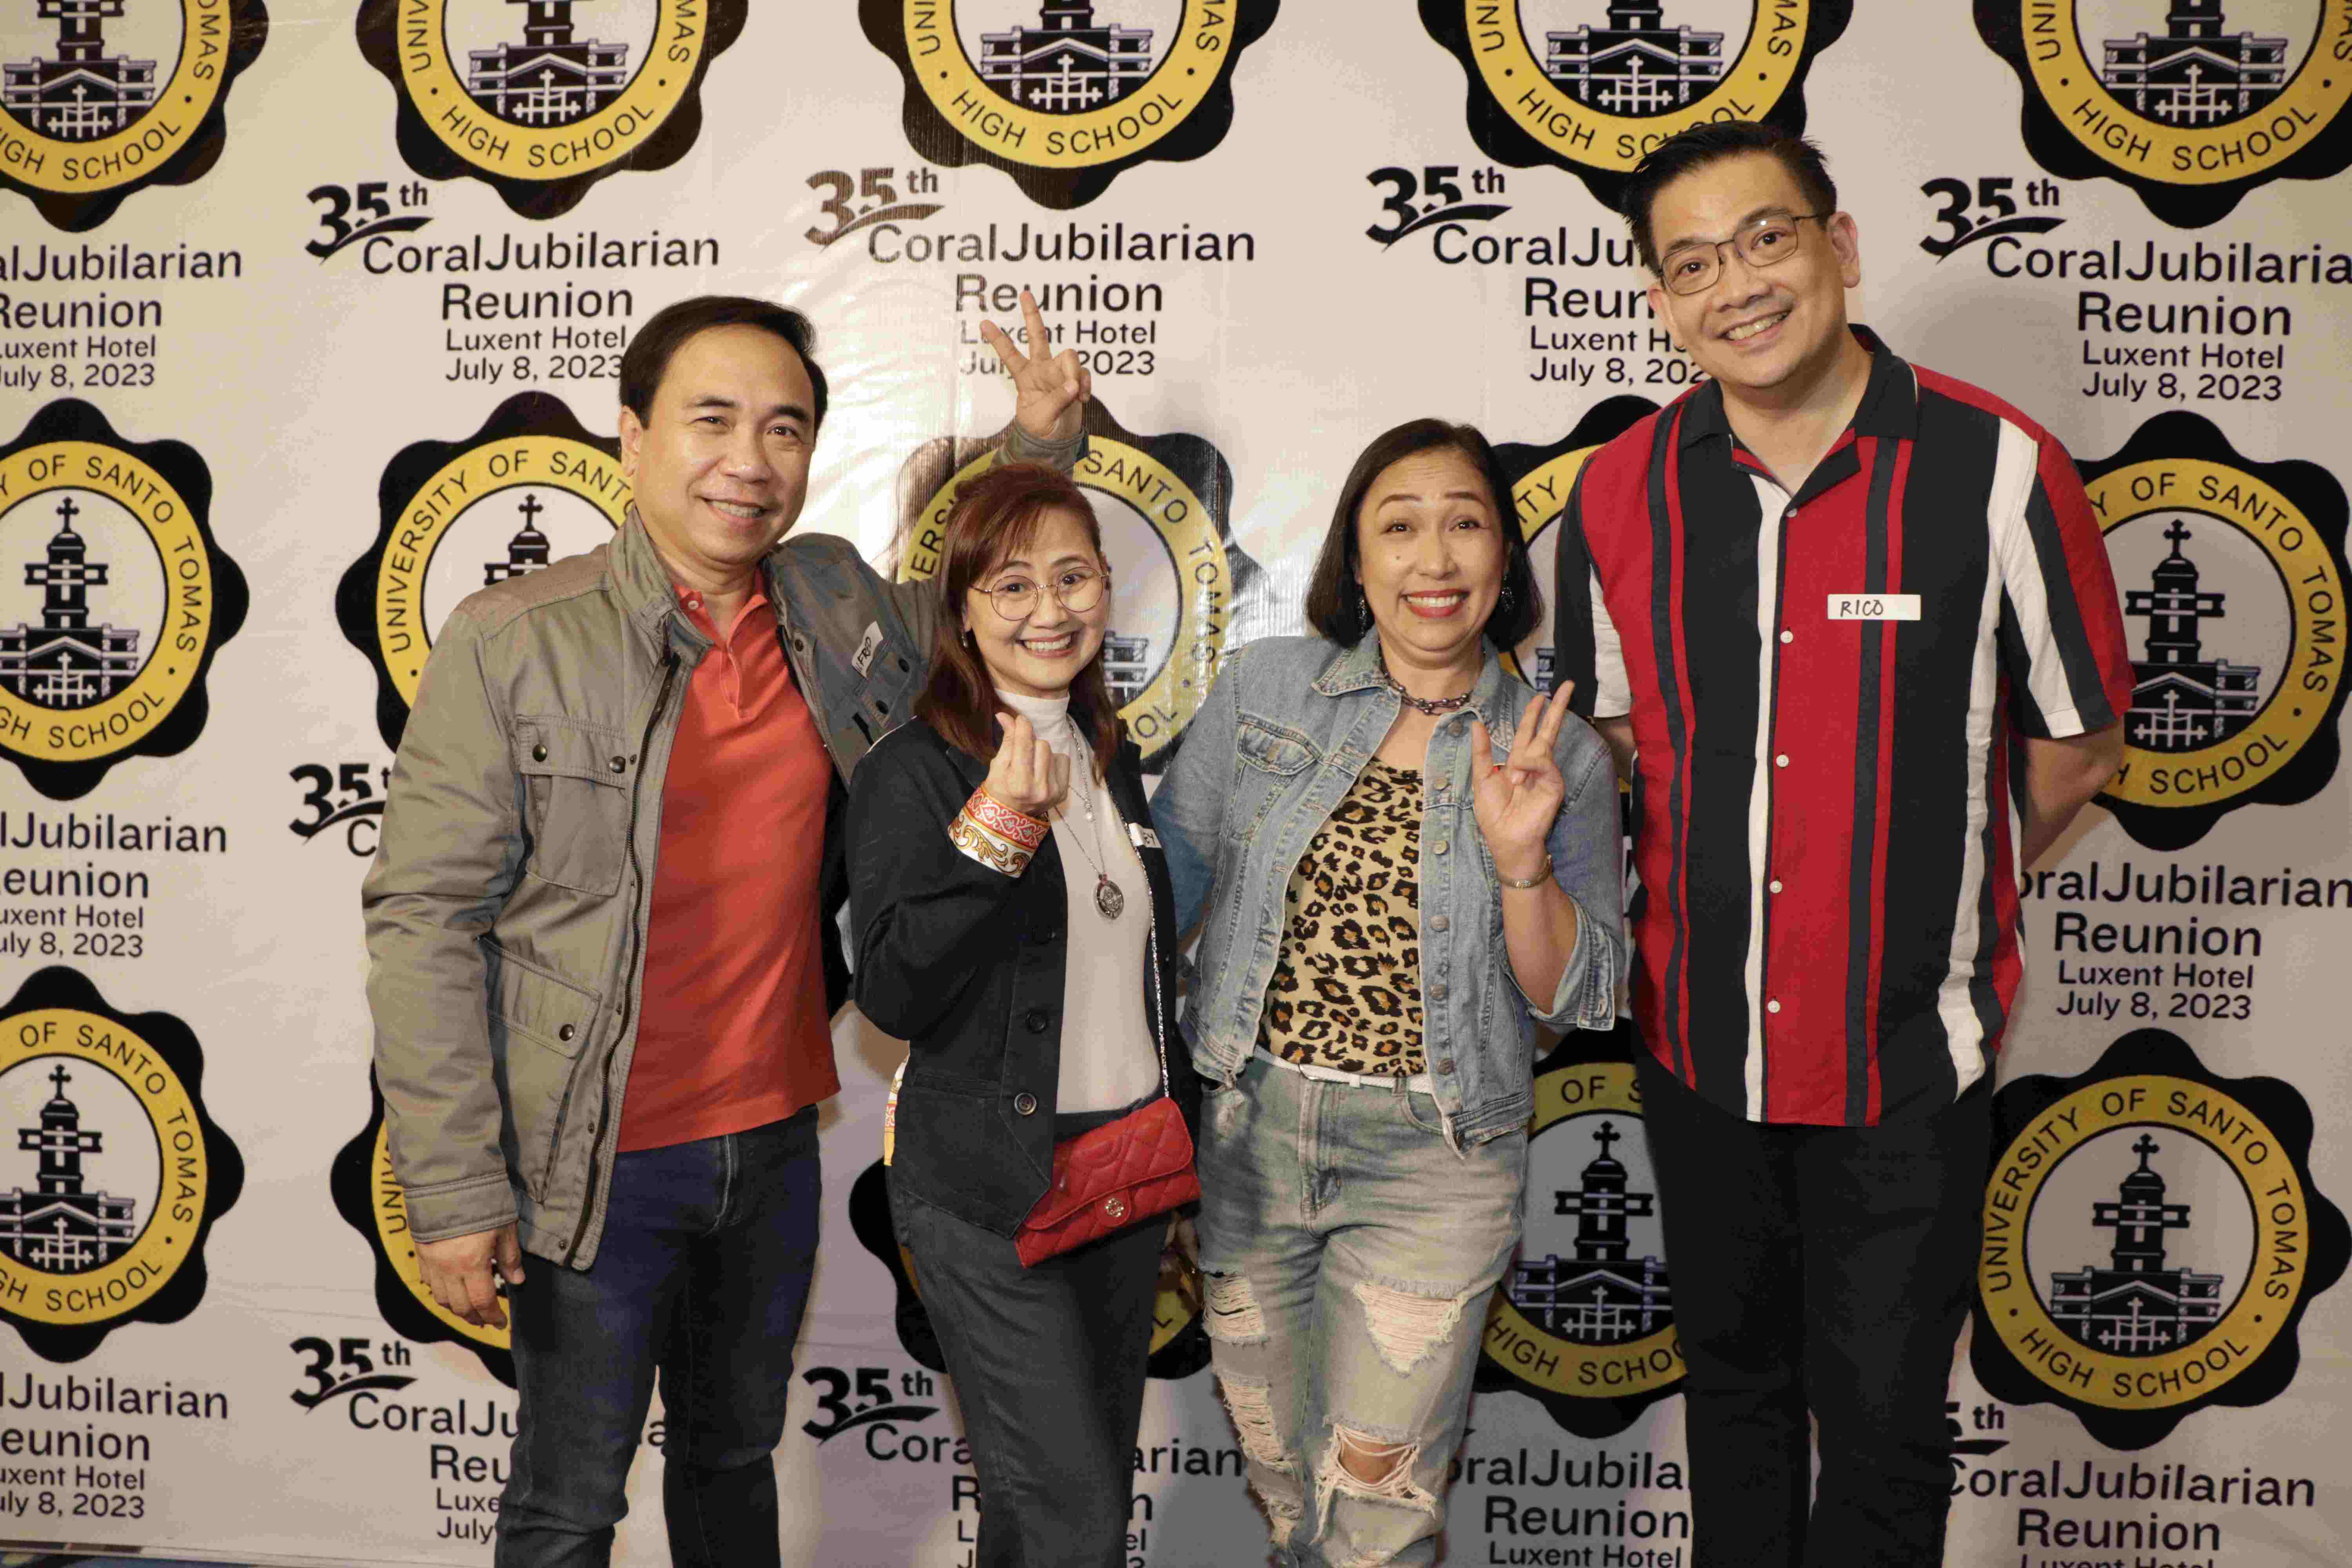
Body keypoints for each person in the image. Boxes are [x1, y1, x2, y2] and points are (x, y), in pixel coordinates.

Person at [361, 290, 1091, 1567]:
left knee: (733, 1461)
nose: (750, 461)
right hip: (593, 1157)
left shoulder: (832, 602)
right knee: (567, 1504)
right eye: (712, 421)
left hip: (770, 1143)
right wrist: (457, 1188)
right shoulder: (513, 640)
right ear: (633, 436)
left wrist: (1037, 449)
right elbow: (424, 919)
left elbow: (979, 603)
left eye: (785, 429)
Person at [1550, 122, 2136, 1566]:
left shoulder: (1997, 468)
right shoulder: (1618, 491)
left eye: (1767, 238)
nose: (1738, 285)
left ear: (1842, 246)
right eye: (1694, 264)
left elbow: (2078, 748)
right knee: (1736, 1406)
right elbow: (1615, 740)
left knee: (1884, 1437)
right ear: (1661, 302)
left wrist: (1929, 877)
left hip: (1908, 1057)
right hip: (1697, 1045)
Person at [1152, 419, 1624, 1567]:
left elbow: (1574, 1000)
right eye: (1399, 527)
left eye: (1466, 524)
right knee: (1290, 1506)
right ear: (1356, 562)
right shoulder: (1265, 689)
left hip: (1436, 1164)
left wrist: (1520, 861)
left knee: (1381, 1519)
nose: (1435, 559)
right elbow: (1158, 908)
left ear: (1504, 559)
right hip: (1249, 1140)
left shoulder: (1560, 751)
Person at [845, 461, 1198, 1568]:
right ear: (961, 611)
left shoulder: (1110, 755)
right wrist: (997, 825)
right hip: (987, 1193)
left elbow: (1140, 981)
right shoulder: (912, 770)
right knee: (1073, 1525)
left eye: (1073, 577)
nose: (1050, 609)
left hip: (1124, 1180)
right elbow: (892, 994)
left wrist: (1183, 1149)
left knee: (1047, 1516)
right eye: (1011, 585)